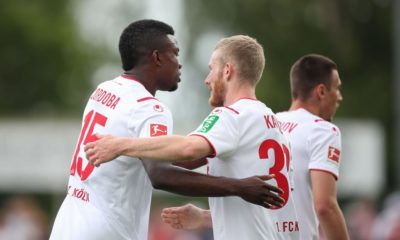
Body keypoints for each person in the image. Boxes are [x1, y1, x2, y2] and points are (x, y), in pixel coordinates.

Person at [49, 20, 283, 240]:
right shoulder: (150, 108)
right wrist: (238, 187)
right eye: (175, 53)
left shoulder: (104, 90)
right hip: (107, 231)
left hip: (68, 223)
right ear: (157, 57)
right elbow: (161, 175)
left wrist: (217, 147)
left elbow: (156, 154)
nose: (179, 63)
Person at [153, 54, 350, 240]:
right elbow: (325, 205)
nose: (340, 97)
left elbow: (262, 202)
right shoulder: (323, 130)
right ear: (322, 91)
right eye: (338, 88)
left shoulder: (270, 122)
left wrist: (206, 217)